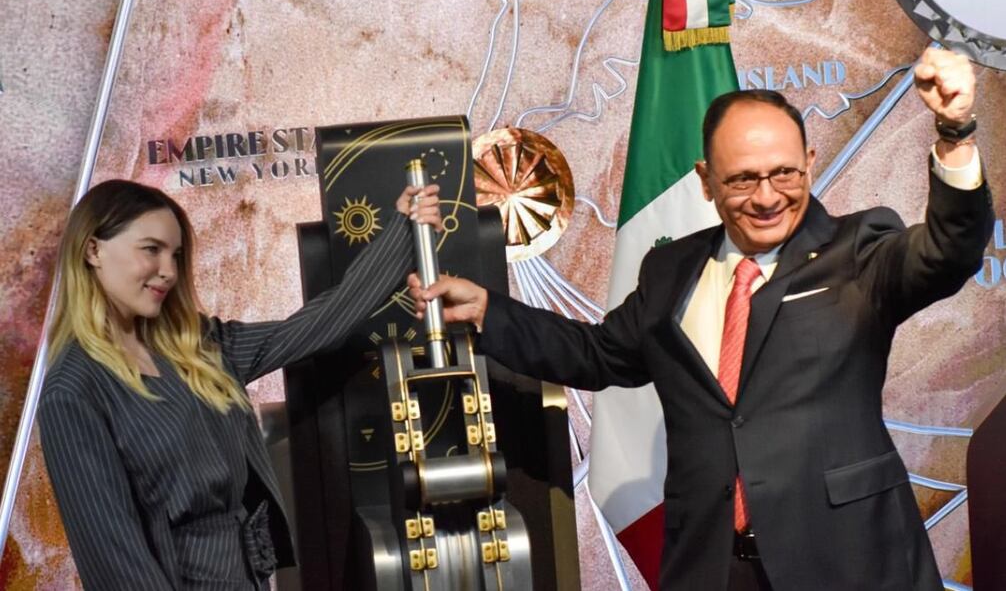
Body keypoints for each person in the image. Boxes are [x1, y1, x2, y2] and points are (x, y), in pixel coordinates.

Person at [409, 47, 992, 590]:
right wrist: (488, 309)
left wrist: (955, 132)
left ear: (810, 164)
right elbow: (597, 354)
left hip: (848, 559)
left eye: (784, 173)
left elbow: (949, 251)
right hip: (711, 566)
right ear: (705, 181)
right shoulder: (669, 269)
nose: (767, 197)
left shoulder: (861, 248)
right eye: (742, 179)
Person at [38, 178, 441, 589]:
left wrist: (402, 231)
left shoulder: (198, 345)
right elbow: (114, 561)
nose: (169, 272)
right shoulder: (73, 392)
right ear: (92, 250)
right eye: (151, 250)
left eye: (176, 255)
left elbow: (317, 326)